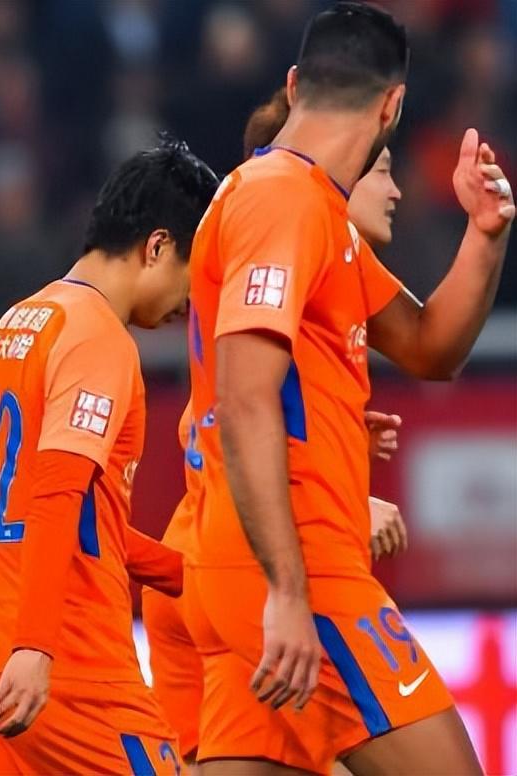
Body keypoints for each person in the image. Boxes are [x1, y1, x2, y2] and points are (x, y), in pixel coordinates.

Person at [183, 2, 513, 774]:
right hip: (298, 566)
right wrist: (289, 591)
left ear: (295, 82)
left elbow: (429, 346)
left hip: (244, 564)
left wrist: (484, 235)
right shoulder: (281, 199)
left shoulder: (305, 207)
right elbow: (245, 397)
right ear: (392, 106)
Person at [142, 85, 408, 769]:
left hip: (204, 563)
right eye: (378, 168)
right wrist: (342, 508)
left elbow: (219, 417)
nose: (393, 189)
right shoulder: (288, 211)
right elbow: (229, 418)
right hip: (246, 564)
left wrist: (339, 439)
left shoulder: (292, 241)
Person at [0, 138, 219, 775]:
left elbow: (75, 519)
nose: (191, 300)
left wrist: (193, 575)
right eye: (194, 270)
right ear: (157, 247)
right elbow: (58, 493)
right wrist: (36, 647)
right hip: (68, 673)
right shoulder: (97, 336)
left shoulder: (20, 320)